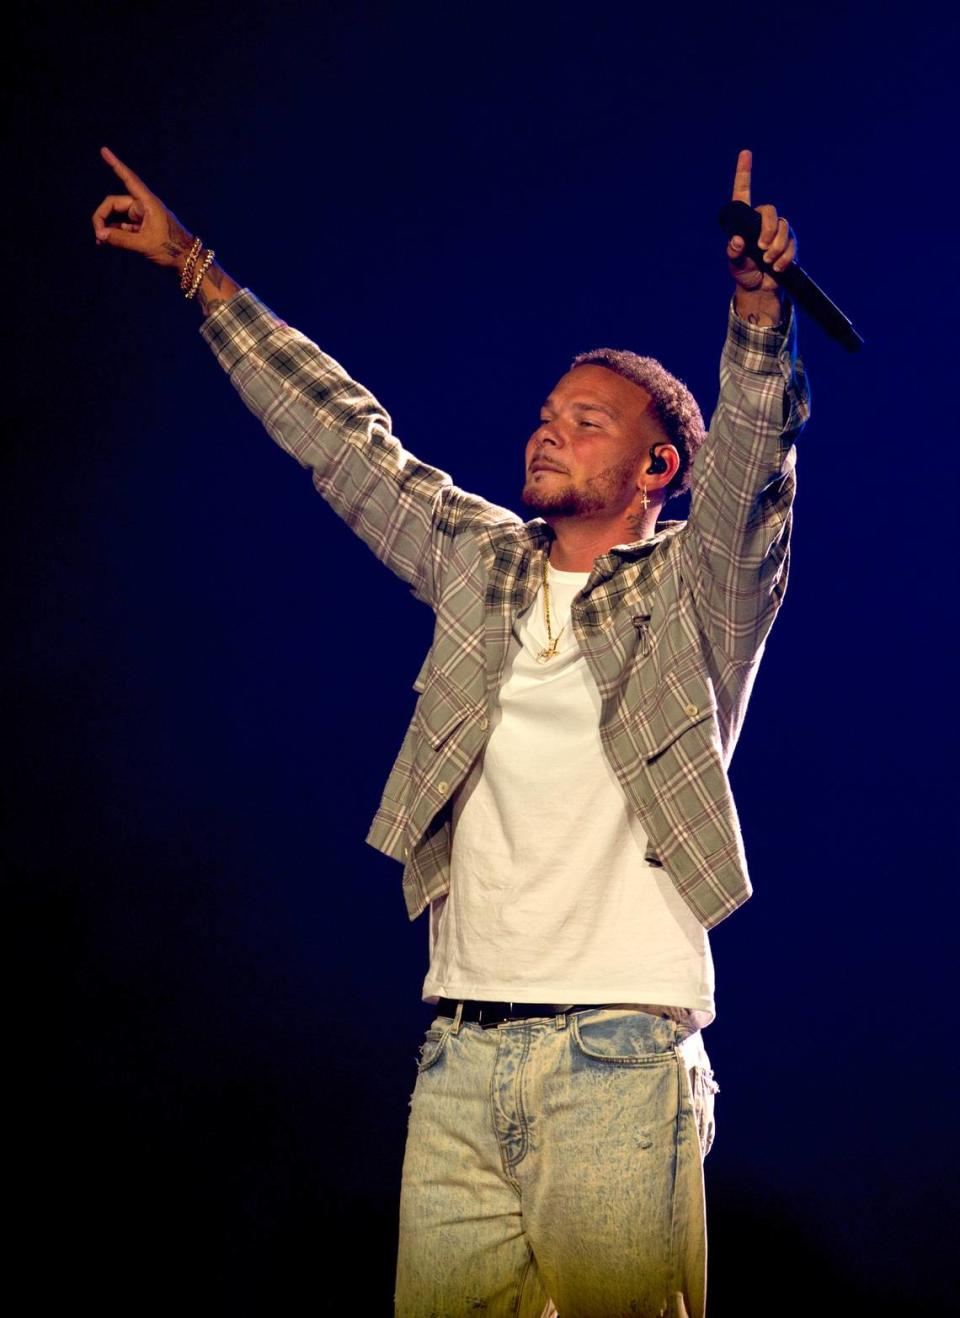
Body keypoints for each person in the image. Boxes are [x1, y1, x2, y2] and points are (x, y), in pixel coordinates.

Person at [93, 145, 810, 1318]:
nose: (549, 433)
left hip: (618, 1055)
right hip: (459, 1052)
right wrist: (196, 269)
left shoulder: (697, 598)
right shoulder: (481, 565)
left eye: (587, 423)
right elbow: (347, 441)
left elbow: (753, 480)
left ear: (655, 467)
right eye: (546, 415)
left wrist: (756, 314)